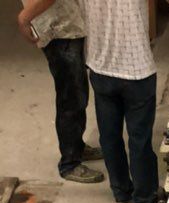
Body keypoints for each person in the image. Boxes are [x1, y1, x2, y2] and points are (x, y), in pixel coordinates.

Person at [18, 0, 169, 203]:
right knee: (139, 141)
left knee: (109, 136)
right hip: (137, 71)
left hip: (100, 69)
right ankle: (145, 200)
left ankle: (121, 191)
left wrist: (25, 17)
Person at [18, 0, 104, 184]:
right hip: (58, 30)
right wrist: (24, 18)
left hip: (63, 25)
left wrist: (25, 18)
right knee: (71, 97)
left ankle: (76, 147)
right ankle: (69, 163)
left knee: (76, 94)